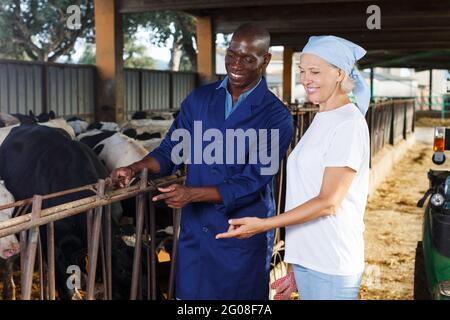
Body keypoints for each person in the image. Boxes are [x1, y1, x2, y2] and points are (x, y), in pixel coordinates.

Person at [111, 23, 294, 300]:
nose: (236, 64)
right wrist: (135, 168)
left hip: (241, 230)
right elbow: (171, 151)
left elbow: (253, 180)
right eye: (232, 54)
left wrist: (191, 194)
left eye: (248, 58)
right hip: (197, 230)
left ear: (265, 60)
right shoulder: (199, 99)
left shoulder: (275, 116)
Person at [216, 35, 371, 300]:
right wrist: (295, 265)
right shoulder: (323, 117)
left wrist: (264, 225)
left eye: (315, 71)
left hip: (331, 263)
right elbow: (305, 191)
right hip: (310, 261)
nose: (305, 79)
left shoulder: (348, 124)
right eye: (302, 71)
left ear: (339, 74)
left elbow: (328, 202)